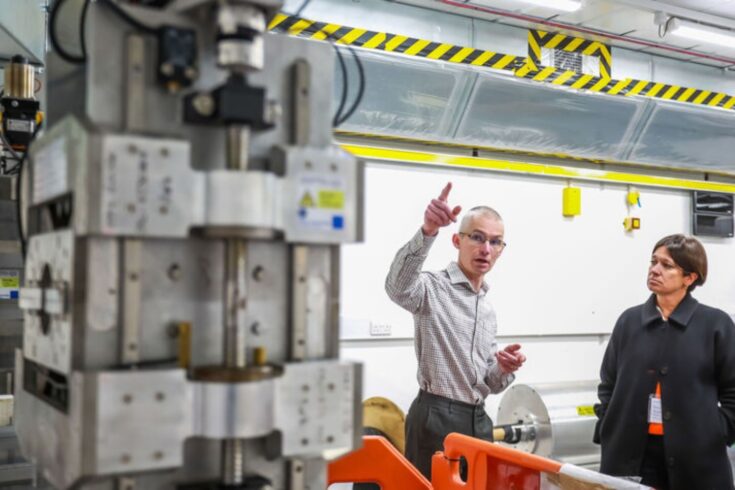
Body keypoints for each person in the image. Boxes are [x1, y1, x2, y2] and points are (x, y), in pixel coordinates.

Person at [385, 182, 526, 479]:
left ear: (501, 250)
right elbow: (397, 288)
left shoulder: (486, 309)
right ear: (457, 240)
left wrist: (502, 367)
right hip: (434, 418)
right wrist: (427, 231)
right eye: (477, 237)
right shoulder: (432, 288)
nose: (485, 249)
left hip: (478, 419)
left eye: (495, 242)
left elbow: (490, 381)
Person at [595, 234, 735, 490]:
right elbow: (608, 383)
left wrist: (717, 431)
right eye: (653, 262)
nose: (655, 270)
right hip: (631, 455)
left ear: (690, 278)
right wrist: (607, 424)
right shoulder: (629, 321)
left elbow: (733, 391)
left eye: (667, 265)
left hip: (696, 456)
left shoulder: (716, 325)